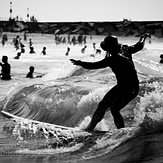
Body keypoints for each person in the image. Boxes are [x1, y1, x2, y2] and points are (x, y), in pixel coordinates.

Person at [70, 33, 151, 131]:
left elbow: (94, 65)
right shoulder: (125, 49)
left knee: (114, 109)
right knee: (102, 105)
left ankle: (121, 131)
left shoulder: (113, 59)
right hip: (121, 86)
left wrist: (80, 63)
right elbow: (139, 45)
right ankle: (90, 129)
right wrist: (143, 37)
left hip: (131, 88)